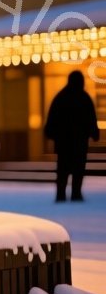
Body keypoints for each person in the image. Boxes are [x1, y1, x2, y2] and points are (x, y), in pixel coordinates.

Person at [44, 70, 99, 203]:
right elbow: (91, 119)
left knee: (62, 170)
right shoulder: (84, 98)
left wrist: (52, 134)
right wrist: (94, 133)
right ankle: (76, 193)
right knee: (78, 169)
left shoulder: (60, 97)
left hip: (63, 143)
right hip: (80, 142)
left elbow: (52, 119)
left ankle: (61, 194)